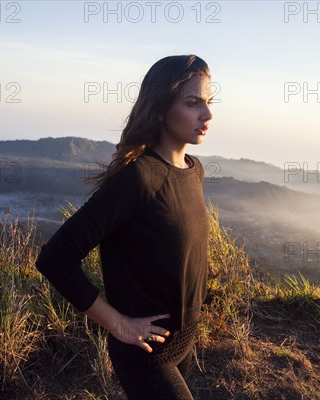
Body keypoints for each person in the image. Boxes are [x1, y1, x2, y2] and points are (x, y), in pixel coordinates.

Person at [35, 54, 214, 399]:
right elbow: (55, 258)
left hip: (184, 342)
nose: (207, 115)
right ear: (161, 108)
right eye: (193, 103)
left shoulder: (194, 169)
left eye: (208, 102)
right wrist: (118, 324)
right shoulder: (138, 178)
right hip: (146, 355)